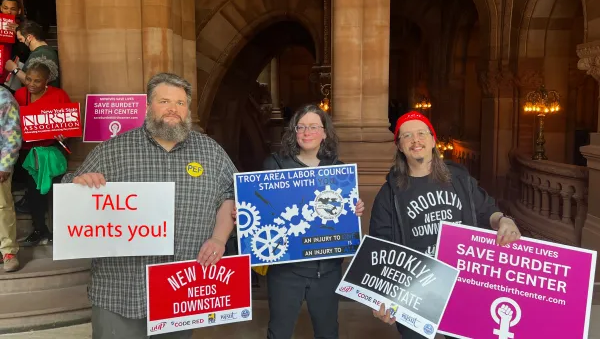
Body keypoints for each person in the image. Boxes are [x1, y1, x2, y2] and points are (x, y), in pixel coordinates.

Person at [62, 73, 237, 339]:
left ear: (188, 109)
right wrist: (80, 184)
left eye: (180, 103)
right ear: (148, 106)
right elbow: (70, 196)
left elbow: (230, 196)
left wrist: (218, 238)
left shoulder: (211, 152)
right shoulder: (113, 150)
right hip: (120, 290)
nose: (173, 109)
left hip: (182, 287)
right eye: (164, 101)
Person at [369, 111, 522, 338]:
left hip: (462, 285)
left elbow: (486, 210)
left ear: (433, 139)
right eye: (407, 135)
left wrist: (504, 220)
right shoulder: (389, 194)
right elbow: (380, 246)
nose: (415, 140)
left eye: (421, 133)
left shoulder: (459, 180)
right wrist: (380, 297)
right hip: (414, 290)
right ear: (400, 146)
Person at [237, 104, 366, 339]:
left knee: (328, 332)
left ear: (325, 133)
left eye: (314, 127)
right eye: (302, 127)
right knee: (279, 332)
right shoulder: (275, 165)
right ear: (294, 131)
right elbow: (262, 208)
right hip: (286, 271)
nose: (307, 133)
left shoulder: (338, 170)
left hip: (326, 270)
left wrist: (354, 209)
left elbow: (342, 215)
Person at [14, 60, 70, 245]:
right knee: (34, 193)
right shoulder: (20, 95)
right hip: (29, 154)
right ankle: (39, 229)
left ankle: (61, 231)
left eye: (37, 81)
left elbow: (68, 122)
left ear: (47, 81)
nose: (31, 84)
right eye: (28, 79)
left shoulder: (59, 95)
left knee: (56, 194)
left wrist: (64, 134)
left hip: (52, 152)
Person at [0, 82, 21, 271]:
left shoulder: (4, 97)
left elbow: (12, 134)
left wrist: (5, 165)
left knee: (2, 207)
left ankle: (8, 251)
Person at [4, 19, 59, 88]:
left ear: (29, 37)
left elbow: (35, 84)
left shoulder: (42, 54)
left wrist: (14, 69)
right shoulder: (43, 51)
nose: (21, 42)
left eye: (20, 39)